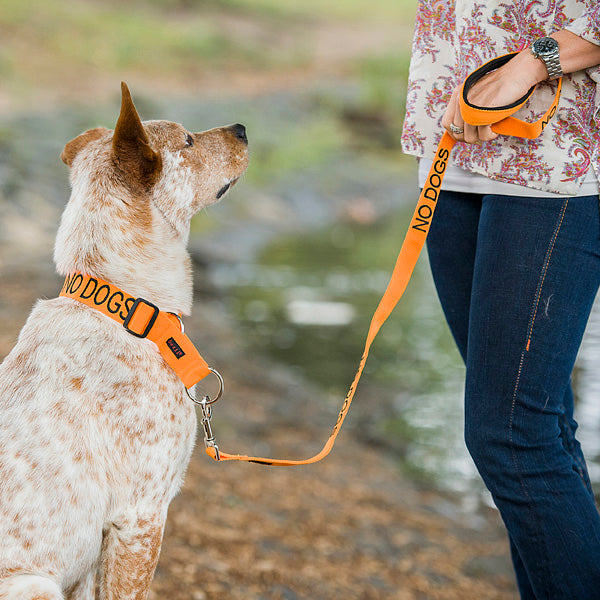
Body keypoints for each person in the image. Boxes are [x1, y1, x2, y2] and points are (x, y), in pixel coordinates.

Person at [401, 2, 600, 598]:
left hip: (558, 162)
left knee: (511, 433)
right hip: (455, 156)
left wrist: (532, 64)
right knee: (538, 428)